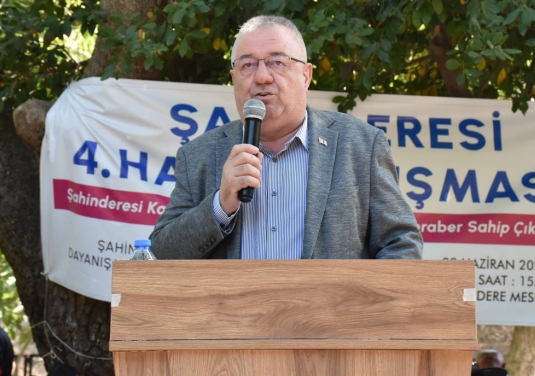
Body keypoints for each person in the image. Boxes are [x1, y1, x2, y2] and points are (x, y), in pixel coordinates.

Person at [149, 15, 423, 260]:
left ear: (306, 75)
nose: (262, 77)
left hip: (329, 304)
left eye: (277, 62)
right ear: (234, 78)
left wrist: (363, 300)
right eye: (247, 65)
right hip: (234, 305)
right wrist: (220, 206)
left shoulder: (360, 145)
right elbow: (160, 255)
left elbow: (401, 243)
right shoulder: (198, 156)